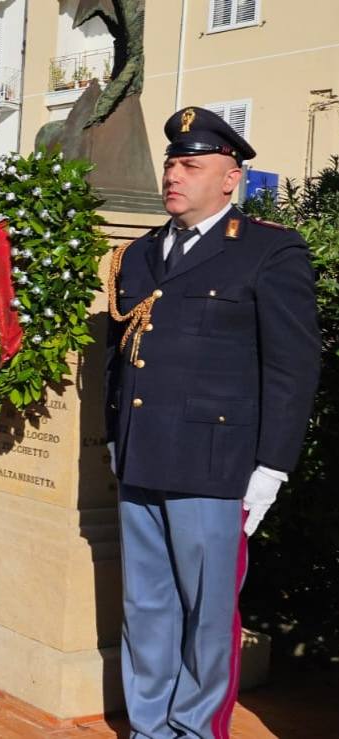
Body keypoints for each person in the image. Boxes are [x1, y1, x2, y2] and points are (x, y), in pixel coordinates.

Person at [105, 107, 321, 737]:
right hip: (141, 456)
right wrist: (117, 437)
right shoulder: (142, 254)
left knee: (206, 611)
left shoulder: (267, 251)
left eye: (191, 165)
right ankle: (150, 726)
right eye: (172, 162)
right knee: (145, 606)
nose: (174, 174)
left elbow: (290, 366)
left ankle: (195, 729)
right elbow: (121, 355)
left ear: (230, 179)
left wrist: (271, 468)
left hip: (215, 466)